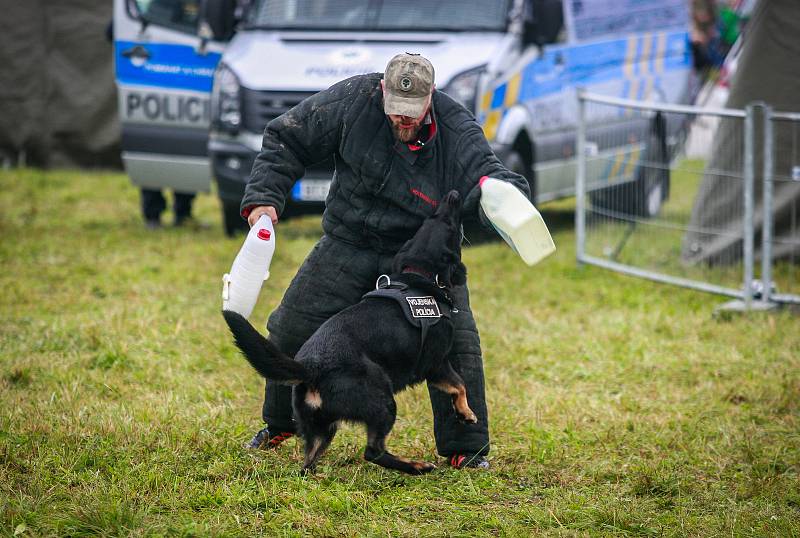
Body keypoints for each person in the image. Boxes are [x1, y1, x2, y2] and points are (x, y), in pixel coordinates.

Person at [240, 53, 529, 469]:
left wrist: (508, 197)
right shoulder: (351, 100)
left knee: (456, 342)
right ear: (382, 92)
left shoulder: (456, 126)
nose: (402, 119)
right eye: (395, 110)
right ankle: (283, 424)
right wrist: (264, 200)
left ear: (431, 97)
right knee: (289, 327)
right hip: (349, 240)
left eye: (412, 113)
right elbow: (287, 138)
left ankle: (466, 448)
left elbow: (492, 175)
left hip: (421, 257)